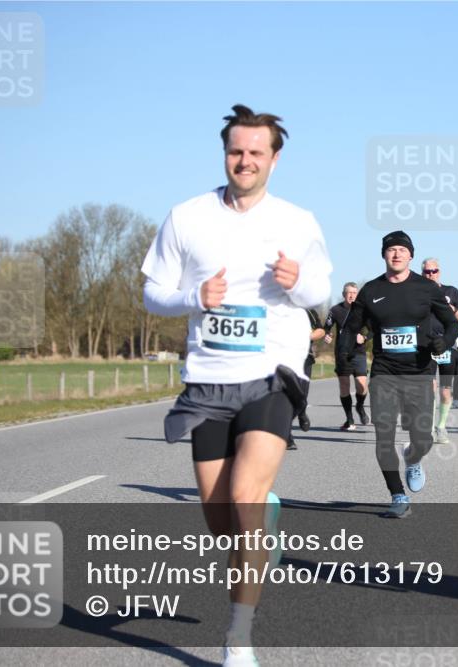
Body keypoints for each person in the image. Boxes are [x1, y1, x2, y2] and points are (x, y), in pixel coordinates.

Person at [142, 104, 332, 666]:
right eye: (236, 151)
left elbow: (318, 285)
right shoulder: (186, 217)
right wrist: (192, 298)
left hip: (273, 374)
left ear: (275, 157)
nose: (245, 160)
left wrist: (297, 285)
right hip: (208, 380)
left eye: (256, 152)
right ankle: (262, 520)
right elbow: (153, 291)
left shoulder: (298, 221)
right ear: (225, 153)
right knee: (222, 521)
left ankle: (238, 637)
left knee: (245, 499)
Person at [340, 231, 458, 518]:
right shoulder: (370, 290)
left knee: (423, 439)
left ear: (411, 255)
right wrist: (345, 355)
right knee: (384, 435)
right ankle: (397, 495)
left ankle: (413, 458)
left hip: (419, 372)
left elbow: (451, 323)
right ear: (384, 255)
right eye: (391, 250)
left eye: (402, 250)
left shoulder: (426, 288)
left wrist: (445, 341)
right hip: (384, 372)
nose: (396, 254)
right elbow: (350, 328)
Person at [421, 257, 458, 445]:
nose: (431, 274)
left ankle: (441, 426)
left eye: (434, 271)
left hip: (447, 344)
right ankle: (430, 428)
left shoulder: (451, 291)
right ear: (422, 272)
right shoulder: (417, 290)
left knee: (445, 391)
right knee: (429, 387)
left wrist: (452, 309)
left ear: (439, 272)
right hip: (425, 345)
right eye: (427, 272)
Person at [323, 282, 370, 430]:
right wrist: (327, 335)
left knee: (362, 386)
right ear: (344, 294)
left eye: (354, 293)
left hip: (358, 352)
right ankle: (349, 419)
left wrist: (365, 337)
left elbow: (373, 329)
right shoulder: (335, 310)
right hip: (342, 352)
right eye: (349, 293)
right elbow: (326, 328)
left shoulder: (363, 311)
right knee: (344, 385)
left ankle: (360, 407)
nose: (351, 295)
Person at [287, 308, 326, 450]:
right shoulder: (274, 305)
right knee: (284, 396)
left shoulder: (307, 310)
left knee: (301, 395)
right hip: (281, 356)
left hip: (304, 357)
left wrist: (307, 336)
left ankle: (301, 410)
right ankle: (287, 436)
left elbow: (321, 330)